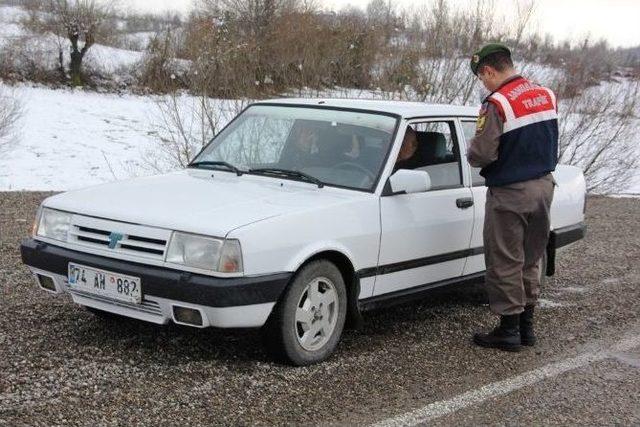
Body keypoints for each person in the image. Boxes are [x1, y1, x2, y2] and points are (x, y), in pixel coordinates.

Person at [467, 43, 558, 352]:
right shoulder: (545, 94)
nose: (484, 83)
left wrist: (471, 150)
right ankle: (526, 329)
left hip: (511, 192)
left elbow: (481, 154)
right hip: (544, 186)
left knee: (505, 259)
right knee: (531, 257)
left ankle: (508, 330)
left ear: (489, 70)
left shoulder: (497, 103)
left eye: (482, 77)